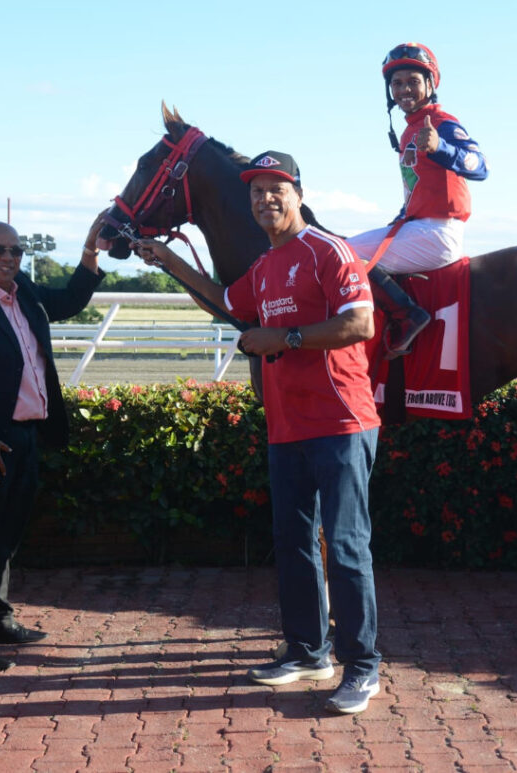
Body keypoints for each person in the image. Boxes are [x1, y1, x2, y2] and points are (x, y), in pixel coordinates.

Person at [135, 150, 383, 715]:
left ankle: (362, 667)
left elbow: (359, 322)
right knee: (295, 545)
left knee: (345, 546)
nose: (265, 200)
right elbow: (225, 302)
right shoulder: (266, 265)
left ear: (298, 194)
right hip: (287, 426)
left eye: (276, 189)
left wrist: (286, 338)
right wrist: (169, 262)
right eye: (255, 192)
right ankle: (306, 651)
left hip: (342, 422)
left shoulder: (329, 250)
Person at [0, 218, 106, 671]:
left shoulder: (23, 290)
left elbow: (68, 301)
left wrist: (89, 252)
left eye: (15, 250)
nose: (8, 257)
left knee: (3, 539)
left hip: (25, 437)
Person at [349, 42, 488, 355]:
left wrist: (441, 147)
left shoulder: (442, 122)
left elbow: (481, 167)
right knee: (341, 250)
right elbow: (418, 190)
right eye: (397, 84)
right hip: (417, 227)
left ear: (430, 84)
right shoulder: (409, 131)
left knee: (344, 259)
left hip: (439, 234)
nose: (404, 90)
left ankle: (408, 315)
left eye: (412, 81)